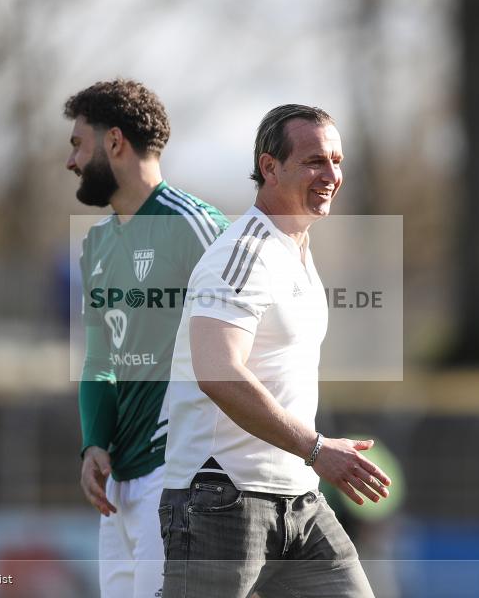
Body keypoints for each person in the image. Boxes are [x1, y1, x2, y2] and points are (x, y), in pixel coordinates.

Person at [159, 104, 391, 597]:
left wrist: (311, 456)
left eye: (336, 160)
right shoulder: (242, 254)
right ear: (269, 167)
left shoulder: (297, 252)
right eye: (313, 161)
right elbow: (218, 371)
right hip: (221, 498)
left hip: (300, 500)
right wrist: (315, 447)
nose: (331, 174)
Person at [64, 79, 229, 598]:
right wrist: (94, 442)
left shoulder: (196, 226)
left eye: (77, 144)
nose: (70, 160)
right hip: (119, 488)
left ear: (114, 142)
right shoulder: (96, 244)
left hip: (179, 476)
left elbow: (251, 341)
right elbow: (100, 357)